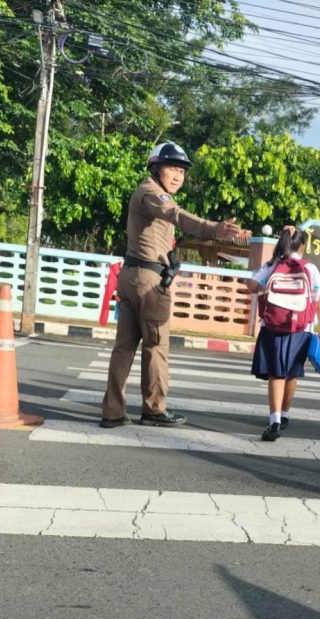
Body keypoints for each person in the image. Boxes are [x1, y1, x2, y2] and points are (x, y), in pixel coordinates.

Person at [100, 142, 250, 428]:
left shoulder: (148, 192)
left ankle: (113, 411)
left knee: (124, 348)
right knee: (156, 347)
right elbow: (176, 215)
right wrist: (213, 228)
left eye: (182, 171)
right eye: (172, 169)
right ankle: (154, 409)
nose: (178, 176)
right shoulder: (153, 193)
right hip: (148, 281)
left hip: (132, 276)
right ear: (156, 168)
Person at [246, 226, 320, 441]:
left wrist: (264, 276)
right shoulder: (310, 268)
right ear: (302, 247)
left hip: (272, 326)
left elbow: (251, 286)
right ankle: (284, 414)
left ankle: (274, 421)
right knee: (291, 372)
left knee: (276, 373)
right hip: (302, 329)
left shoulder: (272, 265)